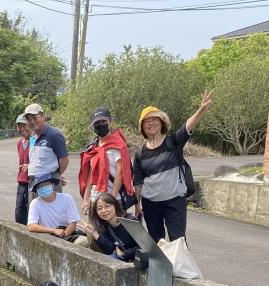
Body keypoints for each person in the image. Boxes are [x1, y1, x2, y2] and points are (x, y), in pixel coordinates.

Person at [133, 91, 213, 242]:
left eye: (154, 119)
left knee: (178, 240)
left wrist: (201, 109)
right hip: (150, 203)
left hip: (175, 200)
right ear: (142, 127)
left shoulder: (173, 142)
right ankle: (161, 266)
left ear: (161, 122)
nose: (150, 123)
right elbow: (138, 181)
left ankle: (181, 266)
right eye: (146, 121)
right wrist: (137, 205)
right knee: (156, 241)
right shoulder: (139, 153)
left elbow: (187, 126)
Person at [79, 107, 135, 217]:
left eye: (103, 121)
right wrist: (86, 199)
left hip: (114, 198)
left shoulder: (118, 144)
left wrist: (112, 199)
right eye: (97, 123)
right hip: (95, 199)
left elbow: (120, 173)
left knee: (116, 232)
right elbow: (91, 175)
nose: (100, 125)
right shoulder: (93, 147)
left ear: (110, 121)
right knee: (94, 233)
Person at [24, 103, 69, 192]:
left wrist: (56, 175)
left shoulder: (54, 135)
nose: (32, 121)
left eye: (34, 118)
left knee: (50, 206)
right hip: (33, 183)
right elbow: (36, 157)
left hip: (48, 184)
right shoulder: (32, 137)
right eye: (29, 119)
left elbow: (64, 159)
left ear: (42, 117)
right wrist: (31, 166)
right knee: (34, 206)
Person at [26, 173, 82, 242]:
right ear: (37, 190)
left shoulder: (67, 198)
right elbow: (31, 226)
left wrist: (63, 238)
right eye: (39, 186)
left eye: (45, 184)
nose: (43, 188)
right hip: (49, 236)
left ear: (52, 185)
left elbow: (73, 223)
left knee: (83, 241)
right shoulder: (35, 203)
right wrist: (53, 230)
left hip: (67, 234)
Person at [83, 193, 139, 261]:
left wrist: (124, 254)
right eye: (99, 208)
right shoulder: (103, 225)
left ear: (115, 206)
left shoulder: (131, 222)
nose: (104, 211)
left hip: (139, 261)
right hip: (123, 259)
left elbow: (146, 247)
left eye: (107, 206)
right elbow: (109, 250)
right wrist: (94, 233)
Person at [15, 114, 32, 225]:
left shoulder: (36, 141)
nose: (22, 129)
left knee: (32, 216)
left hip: (33, 184)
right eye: (19, 126)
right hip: (21, 183)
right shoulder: (19, 143)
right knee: (20, 215)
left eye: (24, 125)